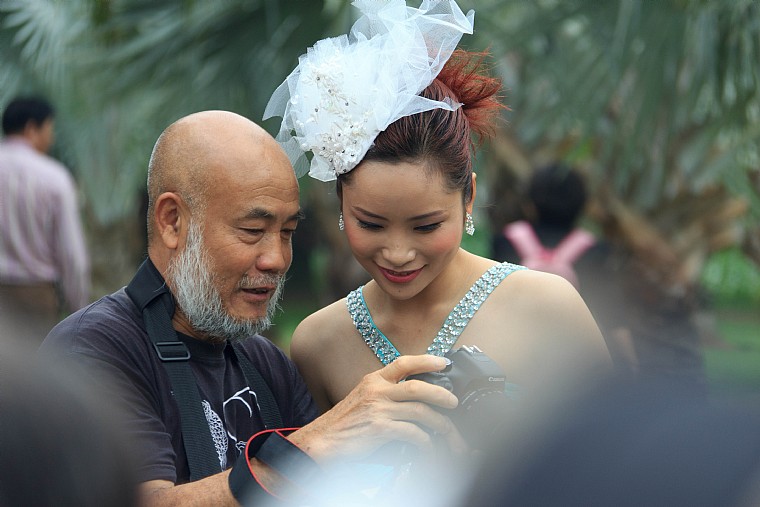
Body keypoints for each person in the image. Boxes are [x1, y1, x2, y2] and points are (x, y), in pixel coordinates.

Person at [40, 109, 466, 506]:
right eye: (252, 230)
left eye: (287, 232)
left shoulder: (266, 364)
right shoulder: (94, 349)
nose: (276, 259)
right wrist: (312, 446)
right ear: (172, 221)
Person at [265, 0, 610, 419]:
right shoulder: (319, 343)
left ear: (469, 198)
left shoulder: (547, 307)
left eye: (426, 226)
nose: (398, 253)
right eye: (370, 224)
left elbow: (621, 446)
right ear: (342, 204)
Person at [0, 96, 90, 347]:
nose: (52, 138)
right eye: (49, 129)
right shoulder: (53, 177)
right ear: (32, 128)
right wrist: (79, 311)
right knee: (34, 370)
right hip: (36, 301)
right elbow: (72, 257)